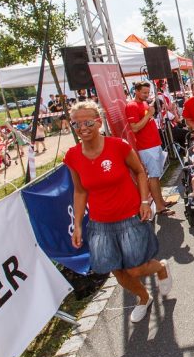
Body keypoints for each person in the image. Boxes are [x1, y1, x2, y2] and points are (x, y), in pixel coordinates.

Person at [66, 101, 172, 324]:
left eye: (88, 122)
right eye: (77, 124)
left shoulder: (118, 146)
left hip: (130, 216)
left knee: (135, 269)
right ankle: (143, 298)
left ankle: (161, 268)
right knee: (117, 270)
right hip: (100, 224)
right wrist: (77, 224)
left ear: (99, 122)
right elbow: (79, 190)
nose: (83, 128)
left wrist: (145, 201)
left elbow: (140, 172)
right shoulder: (73, 156)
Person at [125, 81, 175, 216]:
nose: (147, 95)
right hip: (146, 147)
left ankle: (161, 201)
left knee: (156, 176)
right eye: (144, 92)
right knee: (153, 176)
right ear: (136, 91)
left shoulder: (144, 103)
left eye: (148, 92)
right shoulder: (131, 106)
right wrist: (148, 115)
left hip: (154, 144)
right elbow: (134, 127)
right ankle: (159, 207)